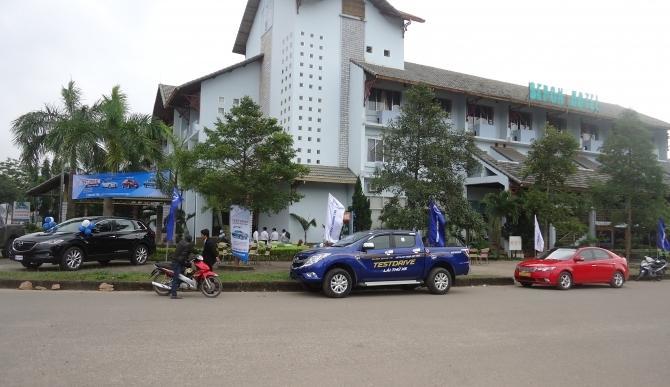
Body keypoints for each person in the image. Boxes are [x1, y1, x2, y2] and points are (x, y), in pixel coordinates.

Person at [170, 235, 194, 299]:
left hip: (177, 261)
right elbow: (183, 256)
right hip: (177, 262)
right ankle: (174, 294)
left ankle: (178, 286)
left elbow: (184, 254)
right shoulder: (186, 245)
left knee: (183, 274)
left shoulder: (182, 242)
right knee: (176, 277)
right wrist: (187, 262)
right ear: (190, 240)